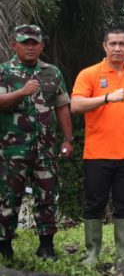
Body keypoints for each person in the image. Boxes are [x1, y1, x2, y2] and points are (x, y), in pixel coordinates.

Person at [71, 27, 124, 271]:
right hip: (98, 154)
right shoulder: (89, 74)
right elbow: (76, 105)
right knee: (94, 204)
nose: (117, 48)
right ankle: (92, 253)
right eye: (112, 43)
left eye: (122, 44)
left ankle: (122, 257)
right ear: (104, 46)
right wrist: (106, 98)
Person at [0, 25, 73, 261]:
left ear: (42, 46)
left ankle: (46, 246)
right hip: (12, 150)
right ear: (15, 45)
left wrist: (68, 139)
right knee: (9, 197)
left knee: (47, 196)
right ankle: (4, 246)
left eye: (35, 43)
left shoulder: (53, 73)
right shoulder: (4, 71)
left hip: (46, 148)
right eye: (25, 42)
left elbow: (62, 106)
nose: (30, 47)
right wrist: (21, 92)